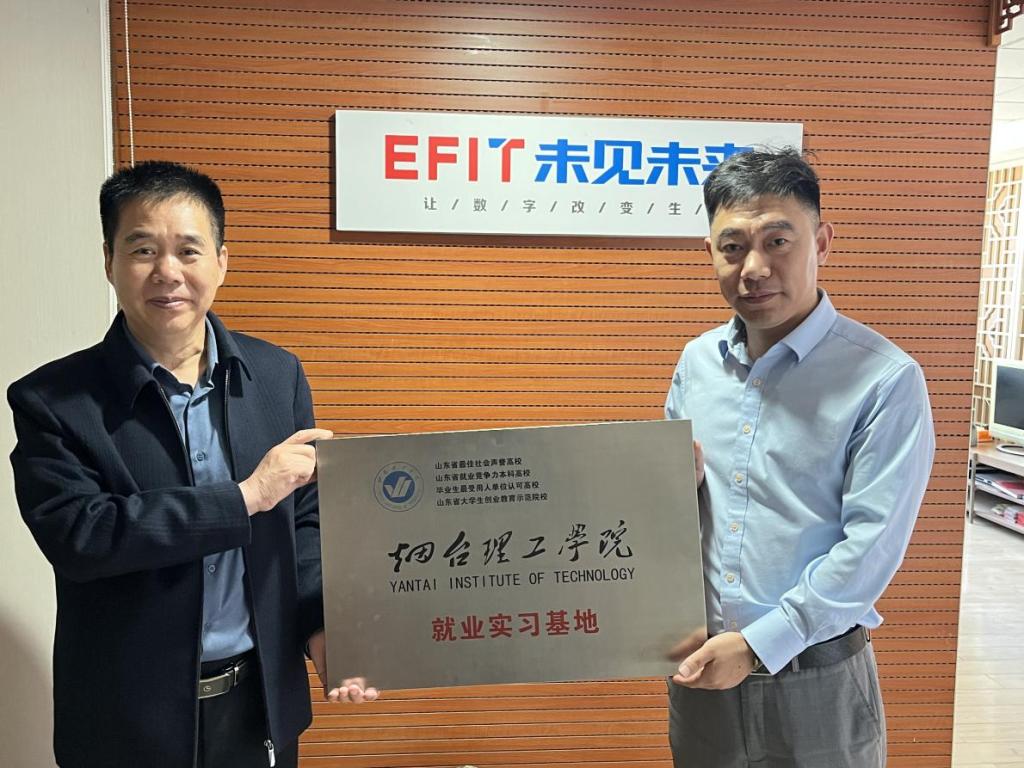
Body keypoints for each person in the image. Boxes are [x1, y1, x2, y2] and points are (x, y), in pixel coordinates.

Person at [8, 161, 377, 768]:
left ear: (222, 261)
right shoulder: (53, 400)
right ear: (108, 262)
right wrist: (244, 497)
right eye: (143, 250)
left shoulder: (277, 375)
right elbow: (82, 538)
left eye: (188, 250)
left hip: (259, 704)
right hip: (124, 720)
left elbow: (304, 523)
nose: (168, 272)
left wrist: (320, 627)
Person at [663, 148, 934, 767]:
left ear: (822, 242)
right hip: (702, 668)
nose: (754, 268)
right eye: (732, 247)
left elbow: (870, 549)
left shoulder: (884, 379)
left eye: (777, 241)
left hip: (819, 676)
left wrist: (759, 645)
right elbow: (676, 511)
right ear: (710, 252)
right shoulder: (696, 363)